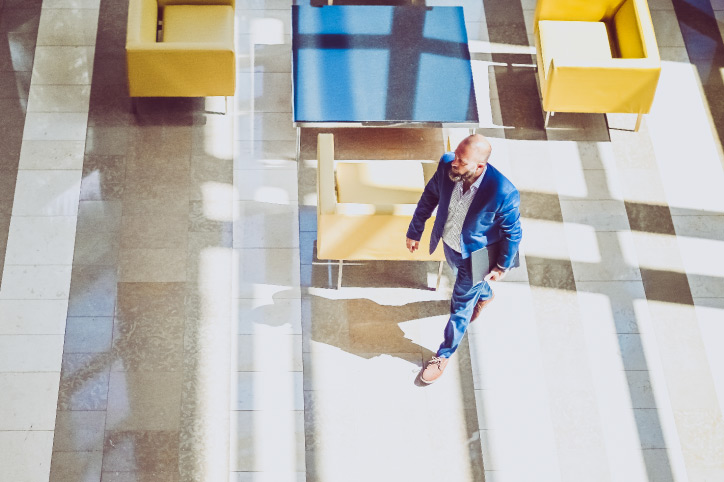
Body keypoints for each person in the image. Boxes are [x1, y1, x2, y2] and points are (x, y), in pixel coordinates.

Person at [406, 134, 522, 384]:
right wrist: (415, 230)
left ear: (480, 166)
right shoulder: (447, 166)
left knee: (460, 306)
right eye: (456, 155)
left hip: (478, 256)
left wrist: (502, 265)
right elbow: (429, 197)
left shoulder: (503, 191)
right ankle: (484, 293)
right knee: (465, 284)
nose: (454, 162)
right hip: (449, 244)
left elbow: (513, 232)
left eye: (462, 160)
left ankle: (444, 354)